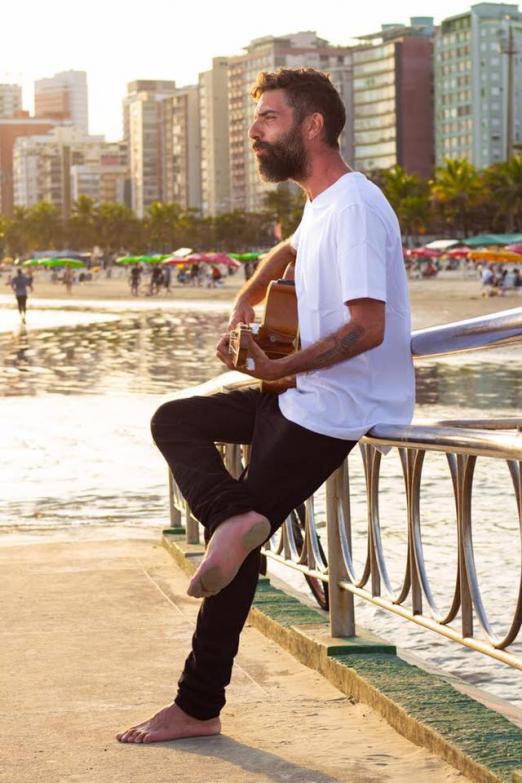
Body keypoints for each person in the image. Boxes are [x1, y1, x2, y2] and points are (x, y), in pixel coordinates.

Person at [117, 67, 414, 744]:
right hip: (297, 393)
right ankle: (232, 519)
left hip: (332, 409)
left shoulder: (359, 208)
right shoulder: (325, 203)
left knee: (241, 548)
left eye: (269, 118)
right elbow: (290, 249)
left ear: (313, 126)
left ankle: (197, 704)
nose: (254, 131)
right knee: (177, 419)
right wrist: (246, 298)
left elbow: (368, 326)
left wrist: (281, 365)